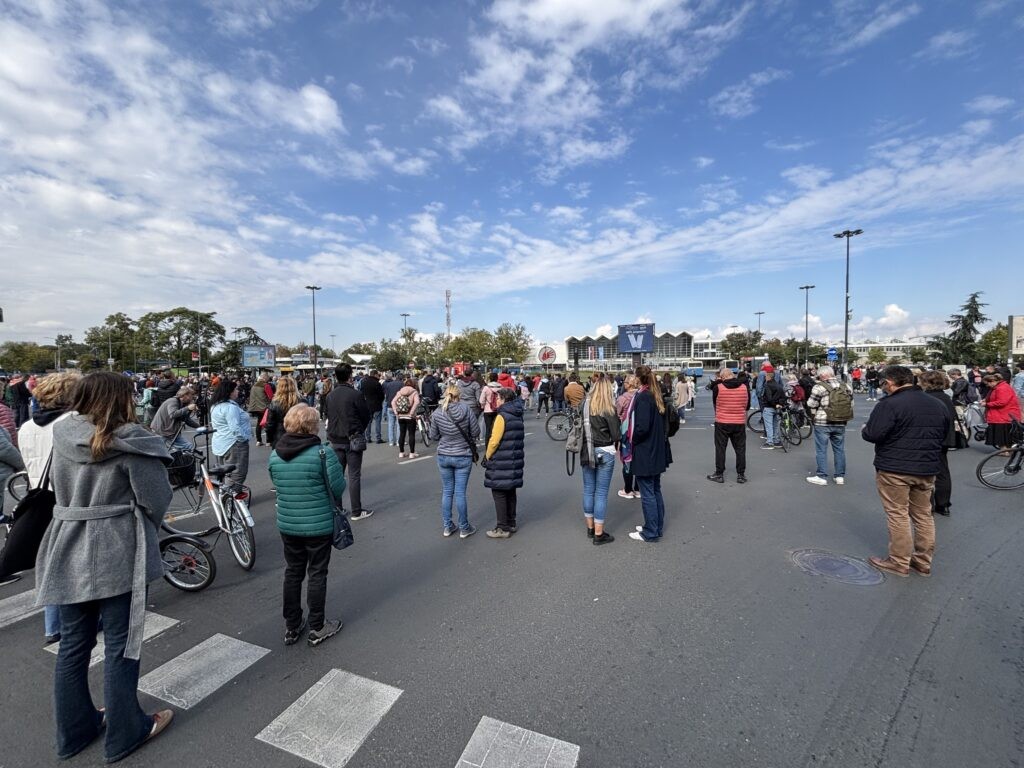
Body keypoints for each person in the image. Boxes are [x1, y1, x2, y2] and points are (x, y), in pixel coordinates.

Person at [34, 372, 174, 761]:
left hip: (67, 543)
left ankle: (75, 731)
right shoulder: (132, 443)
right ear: (122, 399)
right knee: (120, 646)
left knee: (73, 646)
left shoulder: (62, 435)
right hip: (117, 549)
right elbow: (156, 499)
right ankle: (126, 731)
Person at [268, 404, 346, 646]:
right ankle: (317, 626)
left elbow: (276, 483)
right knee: (317, 573)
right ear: (311, 426)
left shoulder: (275, 454)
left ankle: (292, 626)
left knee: (293, 572)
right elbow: (338, 487)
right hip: (318, 525)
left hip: (288, 524)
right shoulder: (323, 453)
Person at [861, 366, 950, 577]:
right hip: (927, 466)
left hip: (895, 467)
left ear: (890, 382)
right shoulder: (937, 403)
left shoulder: (890, 404)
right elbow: (944, 433)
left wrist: (866, 428)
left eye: (884, 384)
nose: (883, 388)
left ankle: (899, 560)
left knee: (898, 514)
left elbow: (874, 434)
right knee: (923, 515)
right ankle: (923, 560)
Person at [17, 371, 80, 641]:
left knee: (51, 562)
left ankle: (52, 624)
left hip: (38, 496)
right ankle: (77, 620)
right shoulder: (74, 423)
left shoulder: (28, 427)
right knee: (76, 563)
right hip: (69, 497)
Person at [429, 381, 480, 538]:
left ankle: (447, 526)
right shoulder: (466, 409)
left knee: (447, 491)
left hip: (444, 455)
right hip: (463, 454)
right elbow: (476, 431)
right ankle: (464, 527)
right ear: (459, 396)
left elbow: (433, 436)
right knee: (460, 492)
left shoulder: (437, 413)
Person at [627, 366, 671, 542]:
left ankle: (650, 531)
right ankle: (656, 526)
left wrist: (632, 440)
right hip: (657, 449)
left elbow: (642, 427)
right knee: (655, 489)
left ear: (638, 379)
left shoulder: (644, 396)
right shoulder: (654, 393)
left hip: (646, 451)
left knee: (647, 493)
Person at [325, 364, 373, 520]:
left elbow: (327, 415)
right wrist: (359, 429)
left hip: (335, 438)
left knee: (337, 476)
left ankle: (338, 508)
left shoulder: (330, 396)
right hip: (352, 438)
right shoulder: (355, 395)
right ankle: (356, 511)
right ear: (350, 376)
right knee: (354, 476)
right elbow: (366, 415)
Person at [580, 377, 620, 545]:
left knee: (588, 490)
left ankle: (590, 528)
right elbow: (616, 435)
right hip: (605, 450)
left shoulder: (584, 405)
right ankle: (599, 533)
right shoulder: (608, 408)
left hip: (587, 450)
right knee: (601, 493)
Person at [483, 387, 525, 538]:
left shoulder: (502, 416)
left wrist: (487, 456)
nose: (497, 401)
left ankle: (502, 527)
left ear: (505, 400)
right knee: (510, 491)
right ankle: (511, 522)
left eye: (499, 398)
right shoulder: (517, 414)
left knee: (499, 492)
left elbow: (494, 440)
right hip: (514, 458)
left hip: (501, 459)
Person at [805, 366, 853, 486]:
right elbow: (851, 404)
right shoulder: (846, 386)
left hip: (823, 422)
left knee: (821, 450)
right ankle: (840, 476)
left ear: (822, 376)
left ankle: (822, 476)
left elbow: (811, 403)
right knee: (839, 449)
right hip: (840, 421)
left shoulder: (819, 387)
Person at [918, 370, 957, 517]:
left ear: (927, 383)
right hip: (944, 439)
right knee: (943, 471)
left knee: (925, 472)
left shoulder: (925, 398)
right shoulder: (946, 397)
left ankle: (928, 503)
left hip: (928, 439)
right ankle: (944, 503)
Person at [209, 378, 252, 496]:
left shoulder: (215, 406)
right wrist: (243, 439)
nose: (238, 391)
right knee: (237, 473)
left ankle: (226, 496)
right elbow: (235, 429)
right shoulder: (230, 408)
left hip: (220, 443)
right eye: (236, 389)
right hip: (234, 444)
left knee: (226, 473)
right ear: (230, 392)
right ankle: (230, 499)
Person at [706, 368, 749, 484]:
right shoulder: (744, 387)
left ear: (723, 377)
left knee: (720, 449)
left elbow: (715, 403)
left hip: (722, 422)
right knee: (740, 449)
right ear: (732, 375)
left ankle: (719, 474)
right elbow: (747, 405)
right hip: (739, 422)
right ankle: (741, 475)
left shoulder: (718, 388)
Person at [149, 385, 200, 452]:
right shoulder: (173, 401)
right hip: (163, 431)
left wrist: (199, 427)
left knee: (170, 451)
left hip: (167, 431)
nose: (192, 398)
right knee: (189, 447)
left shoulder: (180, 403)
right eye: (191, 396)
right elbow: (173, 414)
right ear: (184, 395)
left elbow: (186, 419)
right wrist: (187, 408)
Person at [980, 374, 1023, 449]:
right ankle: (1006, 450)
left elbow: (1002, 402)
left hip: (1003, 415)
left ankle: (1005, 450)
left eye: (987, 384)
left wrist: (987, 404)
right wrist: (986, 400)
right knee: (1003, 435)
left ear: (992, 381)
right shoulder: (998, 387)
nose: (987, 386)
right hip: (1001, 414)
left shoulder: (1002, 388)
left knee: (1002, 436)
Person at [616, 374, 641, 499]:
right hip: (639, 431)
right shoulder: (641, 396)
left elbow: (617, 413)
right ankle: (638, 488)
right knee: (639, 459)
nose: (624, 384)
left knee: (627, 460)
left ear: (629, 384)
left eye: (625, 382)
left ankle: (628, 489)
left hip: (626, 432)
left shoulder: (623, 398)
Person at [265, 375, 301, 449]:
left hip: (280, 436)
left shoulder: (275, 403)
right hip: (299, 436)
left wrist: (270, 439)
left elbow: (270, 424)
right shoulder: (302, 401)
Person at [392, 377, 420, 459]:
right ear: (413, 385)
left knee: (402, 434)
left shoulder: (400, 392)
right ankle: (412, 453)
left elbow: (393, 402)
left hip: (400, 415)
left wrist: (396, 412)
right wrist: (411, 412)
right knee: (411, 434)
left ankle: (401, 452)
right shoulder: (414, 392)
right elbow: (417, 402)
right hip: (410, 416)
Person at [246, 373, 274, 447]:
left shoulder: (254, 386)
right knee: (268, 424)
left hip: (254, 408)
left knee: (259, 423)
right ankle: (268, 441)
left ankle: (259, 440)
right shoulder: (266, 386)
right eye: (267, 378)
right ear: (264, 378)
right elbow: (271, 397)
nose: (268, 380)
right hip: (264, 407)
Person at [760, 370, 786, 449]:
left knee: (769, 426)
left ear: (768, 377)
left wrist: (774, 404)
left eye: (766, 376)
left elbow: (769, 398)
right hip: (777, 408)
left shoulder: (768, 385)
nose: (765, 377)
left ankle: (770, 442)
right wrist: (779, 404)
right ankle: (776, 441)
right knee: (775, 425)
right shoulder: (778, 385)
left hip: (768, 407)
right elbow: (783, 397)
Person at [360, 371, 385, 444]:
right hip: (377, 404)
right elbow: (381, 395)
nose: (379, 376)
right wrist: (380, 401)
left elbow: (361, 393)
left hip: (367, 404)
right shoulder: (377, 383)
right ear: (375, 375)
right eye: (378, 375)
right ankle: (378, 438)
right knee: (377, 422)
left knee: (368, 422)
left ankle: (368, 437)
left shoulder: (363, 382)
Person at [480, 371, 501, 446]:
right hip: (498, 410)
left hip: (488, 410)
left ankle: (488, 445)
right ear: (497, 378)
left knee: (488, 429)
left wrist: (483, 406)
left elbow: (481, 400)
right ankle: (496, 444)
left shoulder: (486, 388)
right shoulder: (501, 387)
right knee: (496, 428)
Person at [382, 372, 403, 446]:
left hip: (390, 405)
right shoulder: (401, 384)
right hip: (398, 406)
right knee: (399, 424)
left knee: (391, 424)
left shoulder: (389, 384)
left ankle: (391, 441)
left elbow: (386, 395)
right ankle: (398, 441)